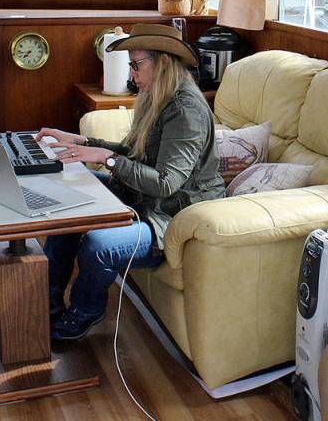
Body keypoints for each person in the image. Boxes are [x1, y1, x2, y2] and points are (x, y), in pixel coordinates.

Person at [35, 23, 225, 340]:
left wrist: (106, 159)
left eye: (136, 64)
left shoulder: (186, 110)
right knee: (71, 192)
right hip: (143, 199)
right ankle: (49, 299)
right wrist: (82, 142)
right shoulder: (157, 96)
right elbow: (132, 152)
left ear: (162, 62)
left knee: (100, 246)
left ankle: (86, 309)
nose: (132, 73)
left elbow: (166, 182)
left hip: (171, 216)